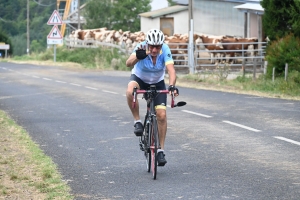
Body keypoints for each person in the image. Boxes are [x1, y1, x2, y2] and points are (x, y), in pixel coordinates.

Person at [125, 29, 179, 166]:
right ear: (147, 44)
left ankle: (160, 150)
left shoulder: (165, 49)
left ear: (161, 45)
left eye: (157, 47)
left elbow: (171, 70)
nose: (154, 50)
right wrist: (138, 56)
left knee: (161, 115)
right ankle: (137, 121)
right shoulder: (141, 47)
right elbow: (128, 63)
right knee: (130, 91)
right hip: (140, 78)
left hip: (157, 82)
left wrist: (171, 86)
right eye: (152, 46)